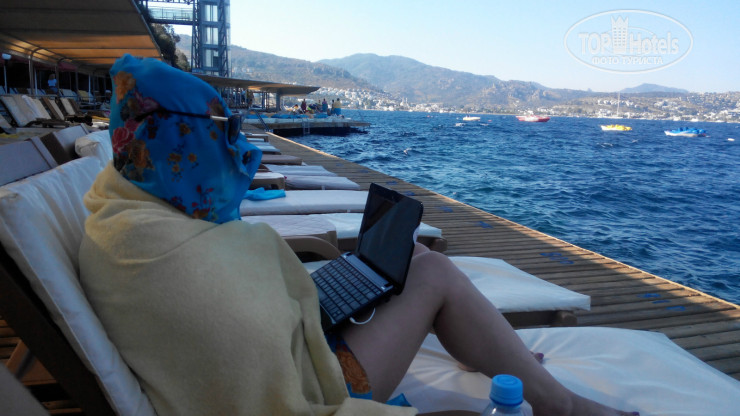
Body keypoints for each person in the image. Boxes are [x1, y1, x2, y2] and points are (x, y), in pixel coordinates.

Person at [79, 54, 637, 416]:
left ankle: (487, 349)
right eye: (225, 131)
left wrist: (327, 292)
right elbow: (269, 382)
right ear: (178, 141)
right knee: (433, 272)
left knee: (415, 261)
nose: (238, 149)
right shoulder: (159, 253)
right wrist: (318, 297)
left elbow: (243, 312)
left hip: (302, 346)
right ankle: (560, 404)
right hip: (318, 383)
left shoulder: (129, 211)